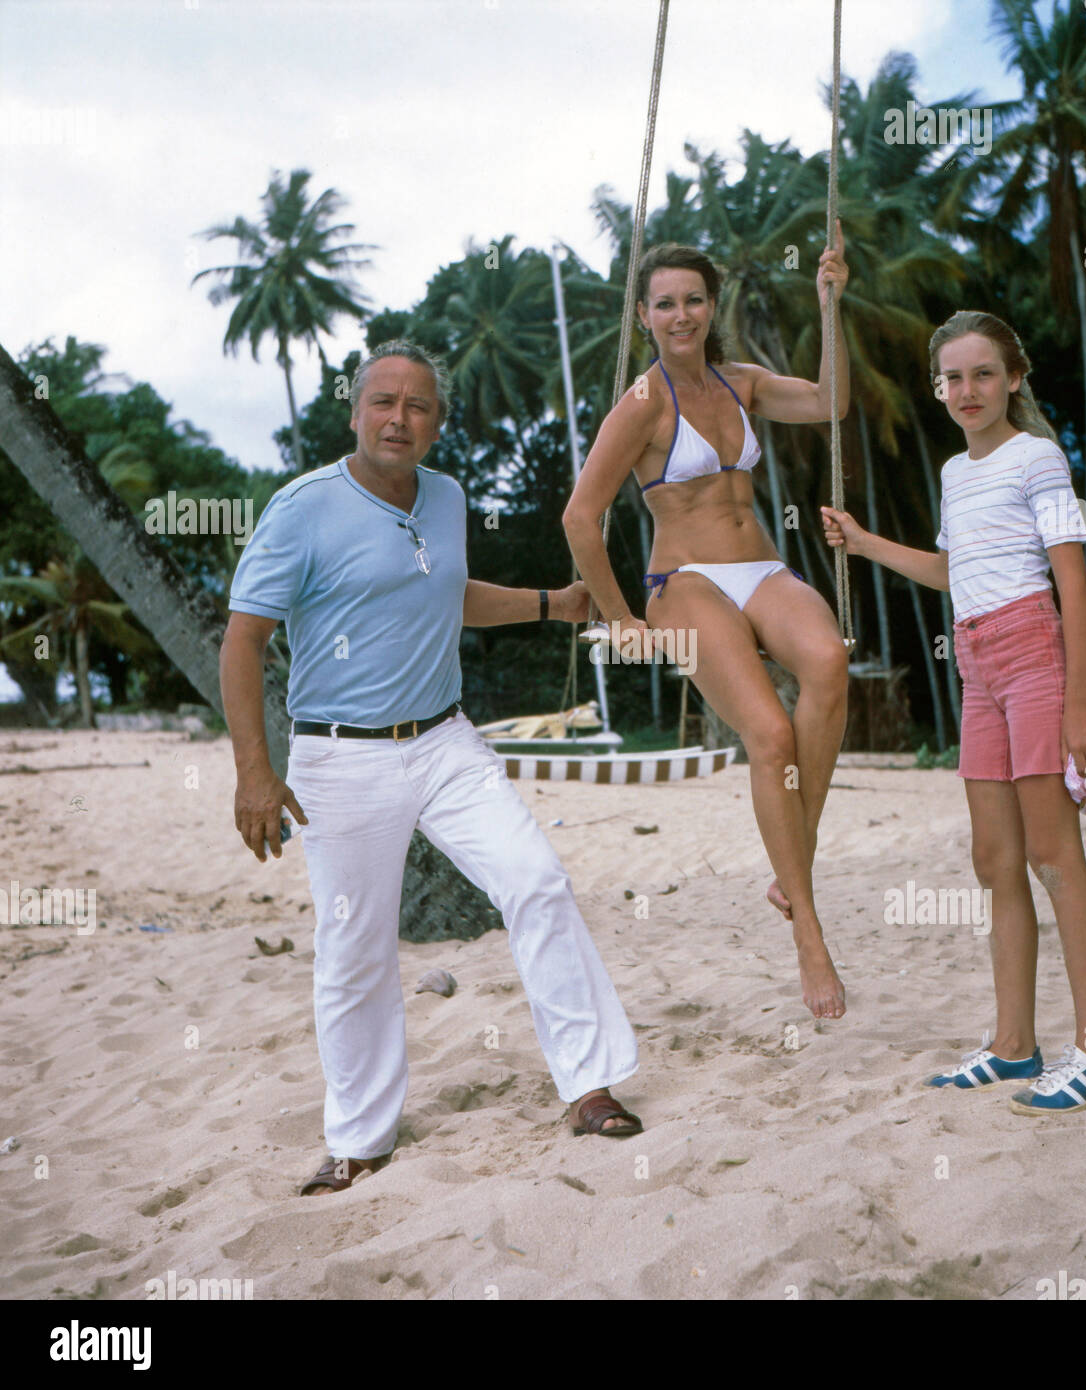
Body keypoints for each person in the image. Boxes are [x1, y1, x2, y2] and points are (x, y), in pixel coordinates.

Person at [220, 340, 643, 1196]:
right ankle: (360, 1140)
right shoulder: (303, 507)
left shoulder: (446, 497)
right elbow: (242, 638)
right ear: (354, 411)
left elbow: (442, 592)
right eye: (383, 401)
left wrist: (550, 605)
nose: (398, 419)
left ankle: (588, 1085)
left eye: (417, 406)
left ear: (436, 422)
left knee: (537, 881)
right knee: (354, 946)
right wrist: (254, 775)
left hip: (446, 741)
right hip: (339, 757)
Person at [821, 310, 1086, 1114]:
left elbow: (1074, 586)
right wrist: (861, 543)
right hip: (975, 661)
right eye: (951, 378)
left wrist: (1078, 704)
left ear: (1013, 378)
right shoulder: (957, 474)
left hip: (1033, 654)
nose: (967, 390)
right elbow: (952, 570)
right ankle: (1013, 1047)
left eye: (983, 373)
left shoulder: (1037, 459)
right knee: (993, 861)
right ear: (936, 389)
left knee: (1053, 856)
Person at [563, 228, 851, 1020]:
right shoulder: (642, 405)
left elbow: (831, 402)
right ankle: (809, 936)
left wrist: (830, 305)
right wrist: (621, 620)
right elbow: (580, 518)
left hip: (759, 568)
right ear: (643, 319)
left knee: (828, 664)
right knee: (770, 736)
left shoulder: (742, 383)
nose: (680, 313)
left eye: (693, 298)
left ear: (711, 305)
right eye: (664, 304)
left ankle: (798, 851)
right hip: (681, 581)